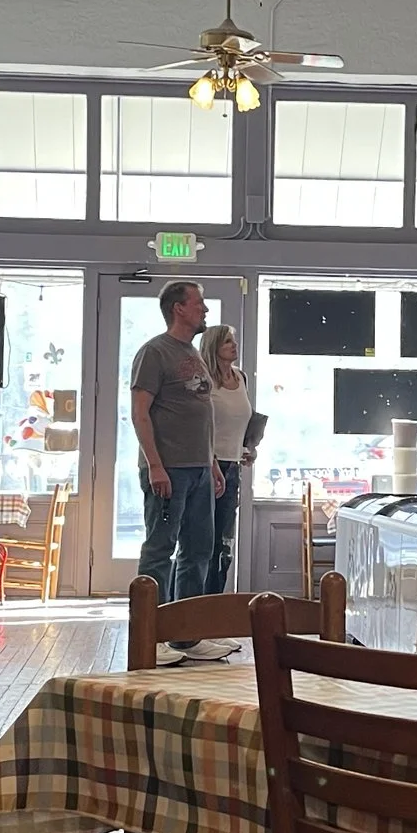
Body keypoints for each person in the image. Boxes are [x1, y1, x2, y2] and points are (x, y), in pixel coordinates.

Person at [128, 280, 230, 664]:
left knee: (199, 550)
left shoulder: (193, 353)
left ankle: (185, 636)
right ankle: (148, 636)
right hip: (169, 469)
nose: (205, 310)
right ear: (179, 309)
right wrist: (155, 465)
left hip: (200, 469)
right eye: (199, 303)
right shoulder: (155, 352)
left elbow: (200, 415)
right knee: (160, 549)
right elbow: (140, 413)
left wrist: (212, 463)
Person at [199, 323, 258, 598]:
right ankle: (193, 602)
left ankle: (215, 600)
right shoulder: (205, 381)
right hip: (207, 465)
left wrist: (248, 447)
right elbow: (200, 423)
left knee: (224, 542)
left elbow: (241, 420)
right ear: (214, 347)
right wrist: (211, 461)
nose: (234, 346)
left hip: (233, 465)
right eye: (226, 342)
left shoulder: (241, 378)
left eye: (233, 341)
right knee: (203, 540)